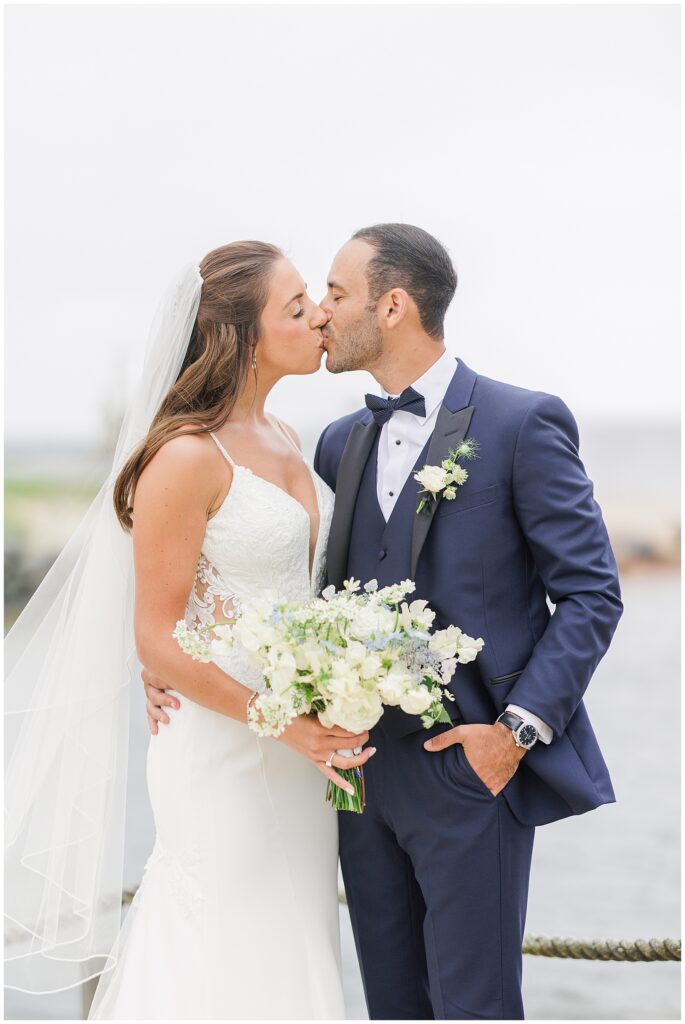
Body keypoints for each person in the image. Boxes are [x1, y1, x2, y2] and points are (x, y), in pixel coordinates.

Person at [145, 224, 623, 1020]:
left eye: (334, 294)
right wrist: (169, 654)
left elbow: (590, 593)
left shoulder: (519, 424)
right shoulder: (338, 443)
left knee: (475, 1008)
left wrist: (515, 733)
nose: (322, 313)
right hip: (351, 781)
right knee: (390, 1008)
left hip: (469, 771)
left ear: (392, 305)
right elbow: (284, 589)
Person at [7, 241, 376, 1019]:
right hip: (224, 749)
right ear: (242, 338)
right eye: (297, 305)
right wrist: (288, 728)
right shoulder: (183, 456)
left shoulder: (286, 438)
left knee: (291, 941)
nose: (318, 318)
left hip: (297, 747)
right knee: (218, 947)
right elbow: (156, 638)